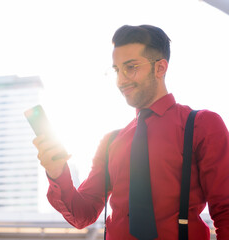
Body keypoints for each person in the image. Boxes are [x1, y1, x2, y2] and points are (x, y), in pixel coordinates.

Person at [33, 25, 229, 240]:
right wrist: (57, 173)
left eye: (131, 67)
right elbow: (83, 215)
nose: (121, 80)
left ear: (160, 68)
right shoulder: (111, 141)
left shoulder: (202, 124)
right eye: (117, 70)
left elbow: (226, 211)